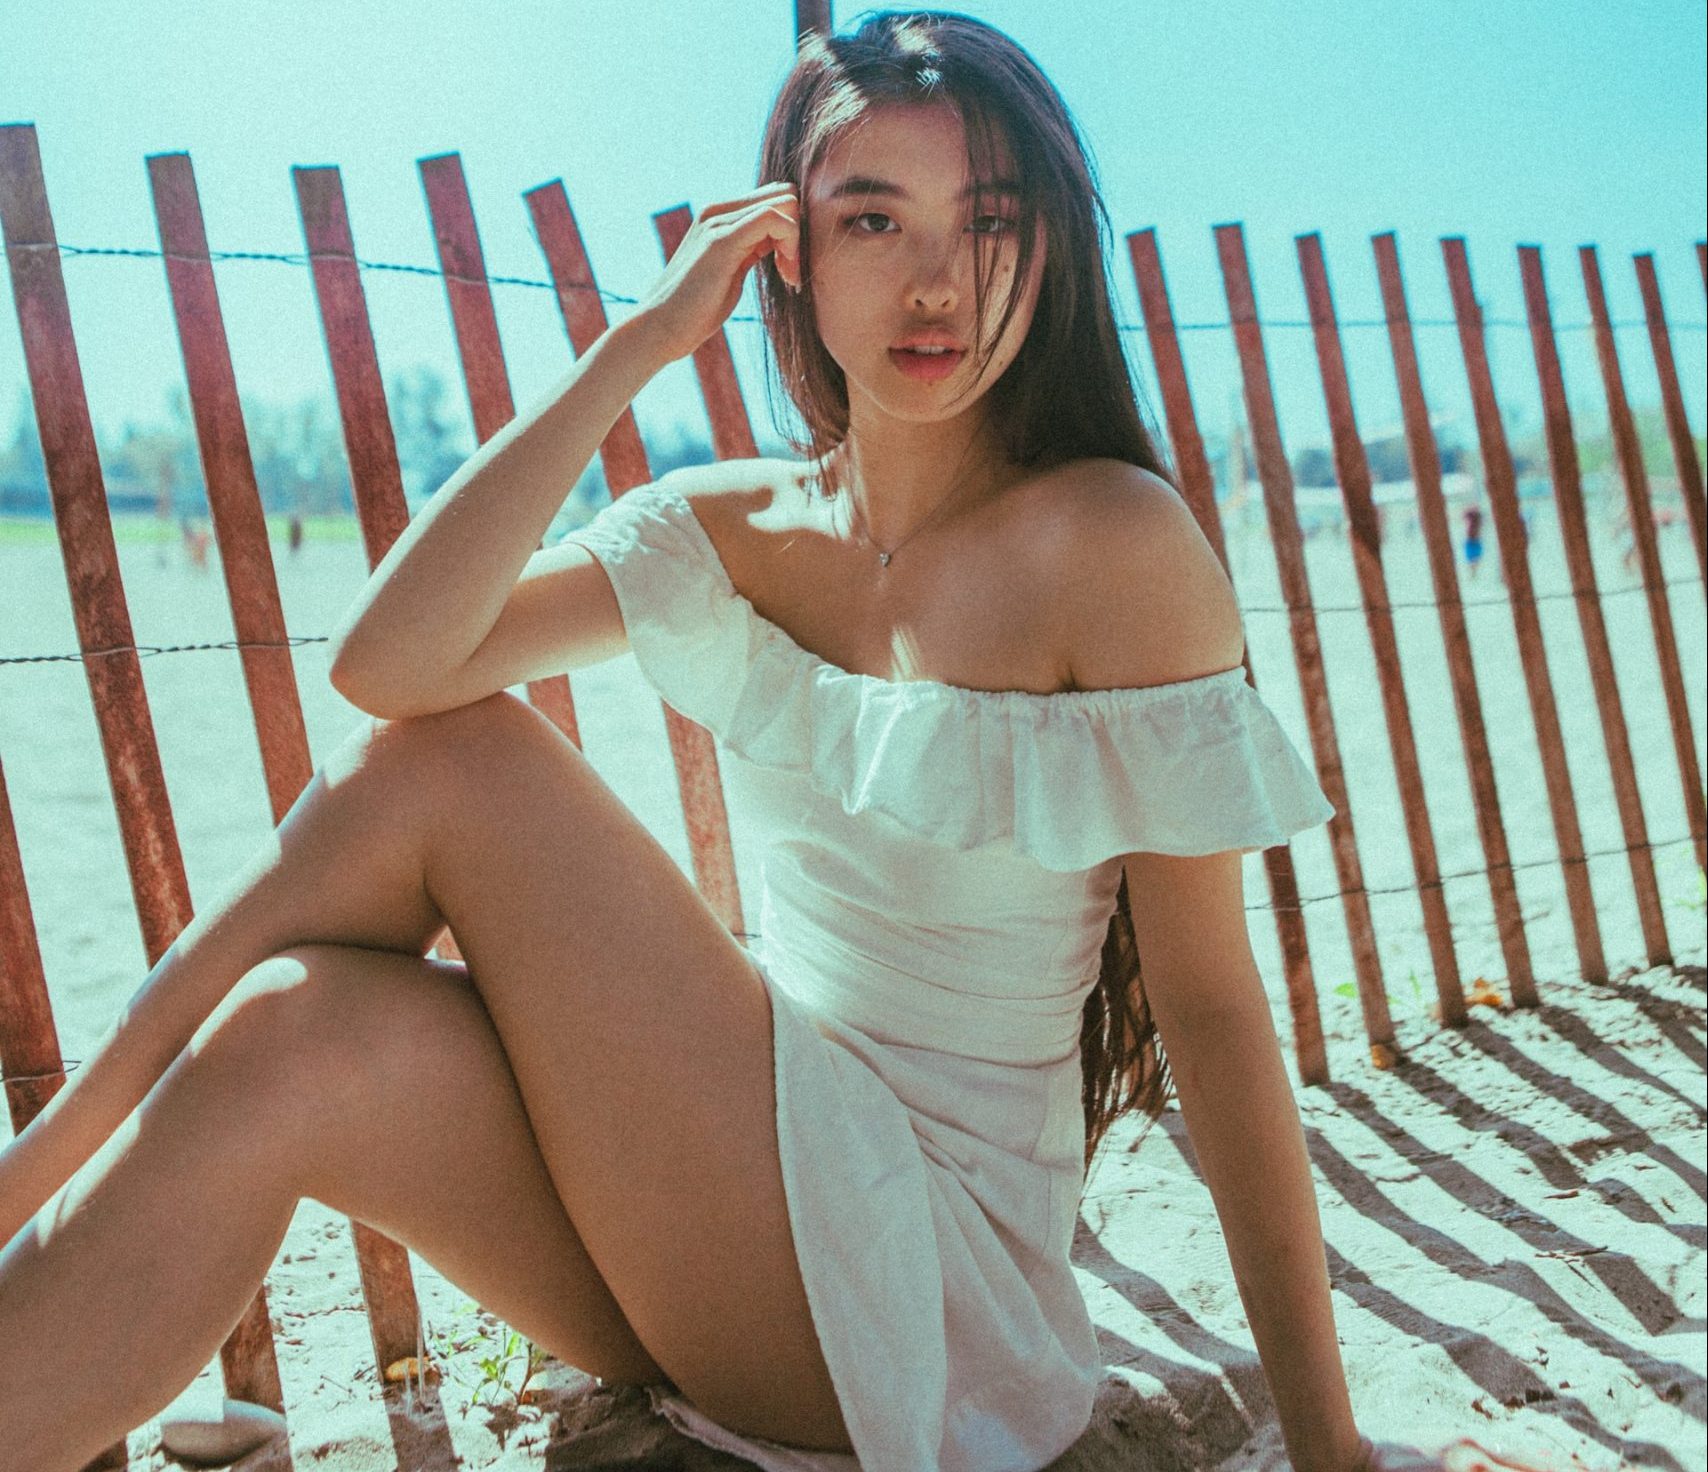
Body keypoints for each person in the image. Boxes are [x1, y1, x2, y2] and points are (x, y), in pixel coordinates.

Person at [0, 12, 1552, 1472]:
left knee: (453, 767)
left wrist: (1329, 1444)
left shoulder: (1112, 546)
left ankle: (35, 1166)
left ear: (1050, 249)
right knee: (292, 1040)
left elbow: (1214, 1014)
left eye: (991, 219)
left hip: (929, 1294)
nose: (939, 280)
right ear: (785, 253)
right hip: (727, 1229)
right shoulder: (737, 528)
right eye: (874, 218)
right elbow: (385, 658)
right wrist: (635, 348)